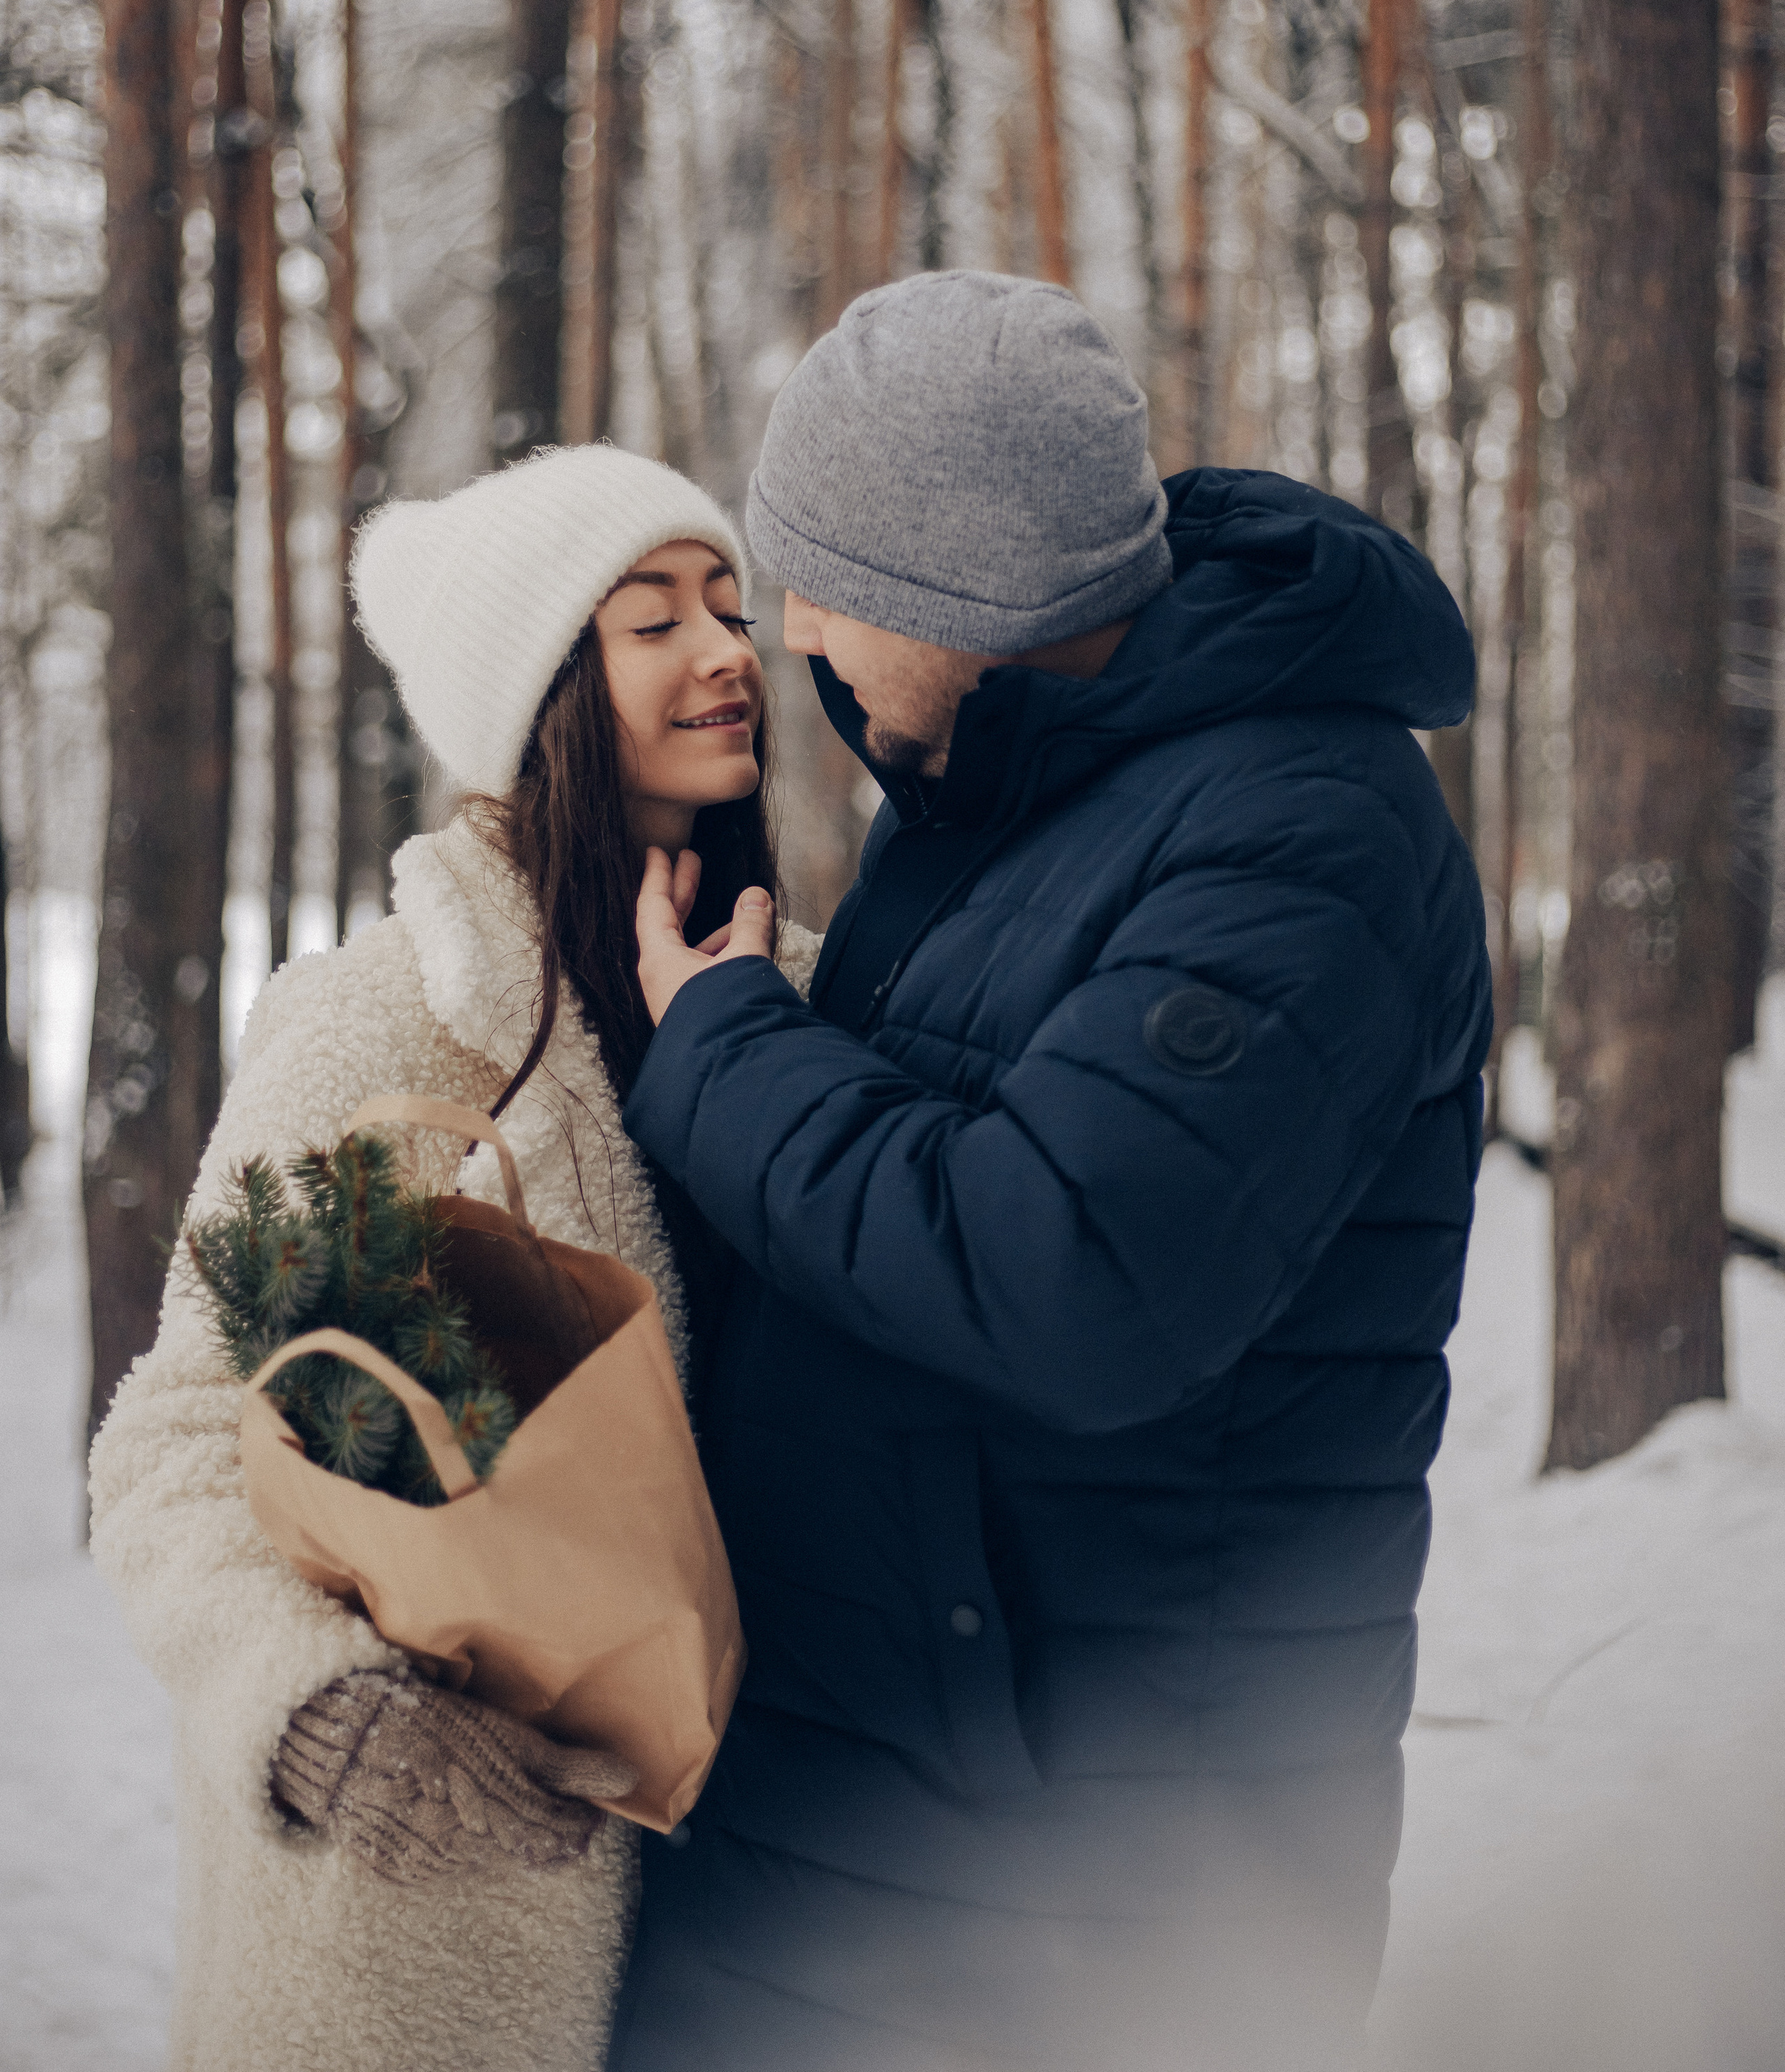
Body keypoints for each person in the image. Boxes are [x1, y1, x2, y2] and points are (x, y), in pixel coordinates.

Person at [612, 272, 1494, 2072]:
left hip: (1084, 1904)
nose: (790, 633)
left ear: (962, 592)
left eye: (822, 580)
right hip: (888, 1837)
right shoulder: (1013, 791)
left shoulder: (1301, 831)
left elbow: (1066, 1271)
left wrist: (720, 1047)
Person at [89, 444, 819, 2072]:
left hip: (765, 1926)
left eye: (728, 603)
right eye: (653, 620)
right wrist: (323, 1718)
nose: (725, 649)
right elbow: (178, 1444)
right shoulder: (378, 1026)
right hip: (429, 1948)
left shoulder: (809, 1003)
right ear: (545, 694)